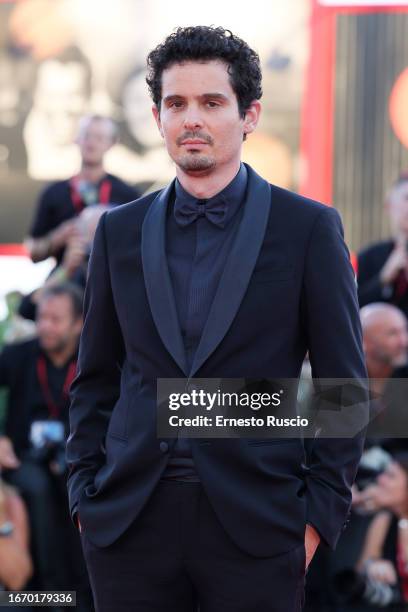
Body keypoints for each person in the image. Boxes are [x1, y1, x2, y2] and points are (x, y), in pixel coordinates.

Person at [66, 26, 367, 612]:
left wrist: (313, 522)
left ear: (249, 114)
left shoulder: (307, 228)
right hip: (129, 525)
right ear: (156, 118)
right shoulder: (119, 231)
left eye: (211, 102)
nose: (191, 119)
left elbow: (344, 391)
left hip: (259, 527)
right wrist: (85, 496)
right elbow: (95, 377)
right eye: (175, 104)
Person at [0, 283, 92, 610]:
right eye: (42, 318)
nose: (45, 327)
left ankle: (83, 596)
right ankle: (50, 596)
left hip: (78, 458)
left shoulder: (93, 357)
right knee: (38, 488)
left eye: (56, 319)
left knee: (78, 488)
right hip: (23, 459)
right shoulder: (21, 354)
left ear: (79, 323)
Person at [25, 114, 140, 266]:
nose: (91, 143)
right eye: (86, 135)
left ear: (112, 143)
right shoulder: (53, 193)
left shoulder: (128, 195)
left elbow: (140, 247)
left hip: (113, 283)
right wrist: (59, 236)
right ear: (76, 139)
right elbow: (33, 252)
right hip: (66, 280)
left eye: (99, 138)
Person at [358, 174, 408, 318]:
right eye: (406, 198)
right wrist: (383, 278)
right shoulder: (369, 256)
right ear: (389, 205)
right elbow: (354, 308)